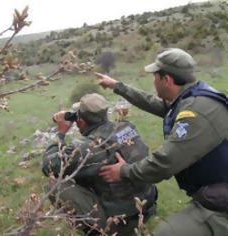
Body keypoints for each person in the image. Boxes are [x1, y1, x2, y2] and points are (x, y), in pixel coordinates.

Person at [95, 48, 228, 236]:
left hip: (221, 203)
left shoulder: (196, 113)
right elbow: (154, 103)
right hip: (215, 191)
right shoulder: (192, 96)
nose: (153, 81)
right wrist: (117, 86)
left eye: (155, 76)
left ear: (166, 80)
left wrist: (124, 172)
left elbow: (165, 163)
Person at [42, 93, 157, 235]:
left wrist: (60, 133)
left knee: (54, 184)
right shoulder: (127, 127)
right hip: (145, 208)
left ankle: (97, 231)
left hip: (120, 223)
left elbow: (48, 166)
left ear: (81, 121)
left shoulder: (90, 147)